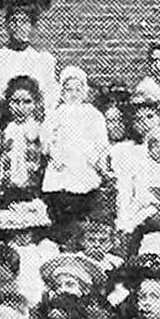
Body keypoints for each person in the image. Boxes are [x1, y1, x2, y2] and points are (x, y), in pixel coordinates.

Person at [41, 65, 112, 231]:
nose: (73, 94)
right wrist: (53, 154)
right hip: (62, 166)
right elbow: (46, 140)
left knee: (84, 208)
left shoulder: (93, 114)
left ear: (84, 91)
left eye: (77, 90)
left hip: (85, 165)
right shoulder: (55, 114)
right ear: (62, 91)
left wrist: (98, 161)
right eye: (68, 89)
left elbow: (101, 143)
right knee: (61, 210)